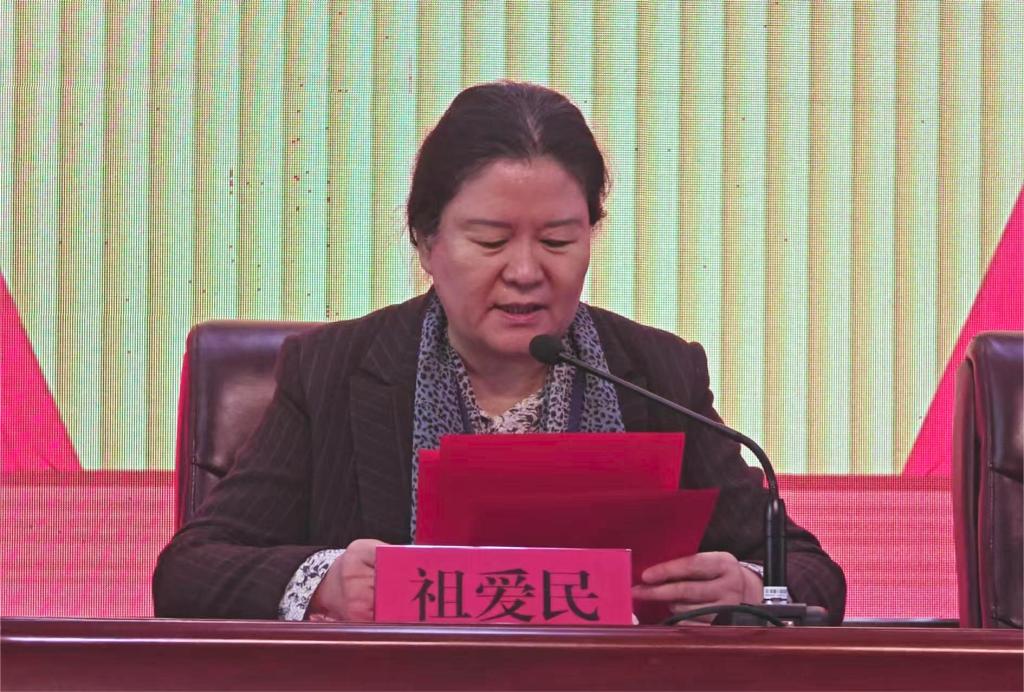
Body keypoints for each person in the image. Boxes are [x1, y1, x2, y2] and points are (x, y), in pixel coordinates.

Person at [153, 81, 846, 624]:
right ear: (427, 242)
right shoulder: (333, 371)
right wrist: (323, 582)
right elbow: (188, 570)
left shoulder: (655, 375)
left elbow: (814, 575)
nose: (524, 272)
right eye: (489, 241)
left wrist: (748, 585)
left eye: (558, 241)